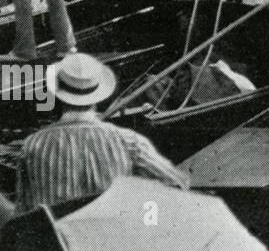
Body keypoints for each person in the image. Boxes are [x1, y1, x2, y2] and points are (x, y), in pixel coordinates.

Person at [13, 53, 187, 214]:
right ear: (98, 95)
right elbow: (177, 185)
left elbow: (24, 213)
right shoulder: (129, 141)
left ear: (57, 94)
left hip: (59, 243)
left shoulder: (33, 145)